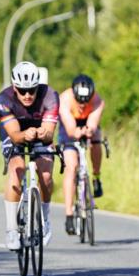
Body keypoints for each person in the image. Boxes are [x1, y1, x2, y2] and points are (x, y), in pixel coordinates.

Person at [0, 61, 60, 251]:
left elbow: (49, 133)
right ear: (14, 87)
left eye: (31, 90)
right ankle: (12, 230)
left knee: (46, 177)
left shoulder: (50, 96)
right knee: (17, 170)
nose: (27, 95)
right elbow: (15, 135)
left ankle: (45, 219)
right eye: (22, 91)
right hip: (14, 133)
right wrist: (25, 135)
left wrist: (41, 133)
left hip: (40, 132)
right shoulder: (4, 99)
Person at [58, 74, 106, 233]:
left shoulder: (97, 101)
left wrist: (89, 130)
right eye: (79, 101)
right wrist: (76, 132)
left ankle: (96, 176)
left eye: (86, 102)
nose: (82, 105)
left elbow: (92, 124)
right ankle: (69, 214)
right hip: (69, 126)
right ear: (74, 95)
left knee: (97, 140)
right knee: (71, 167)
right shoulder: (64, 100)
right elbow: (71, 129)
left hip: (86, 123)